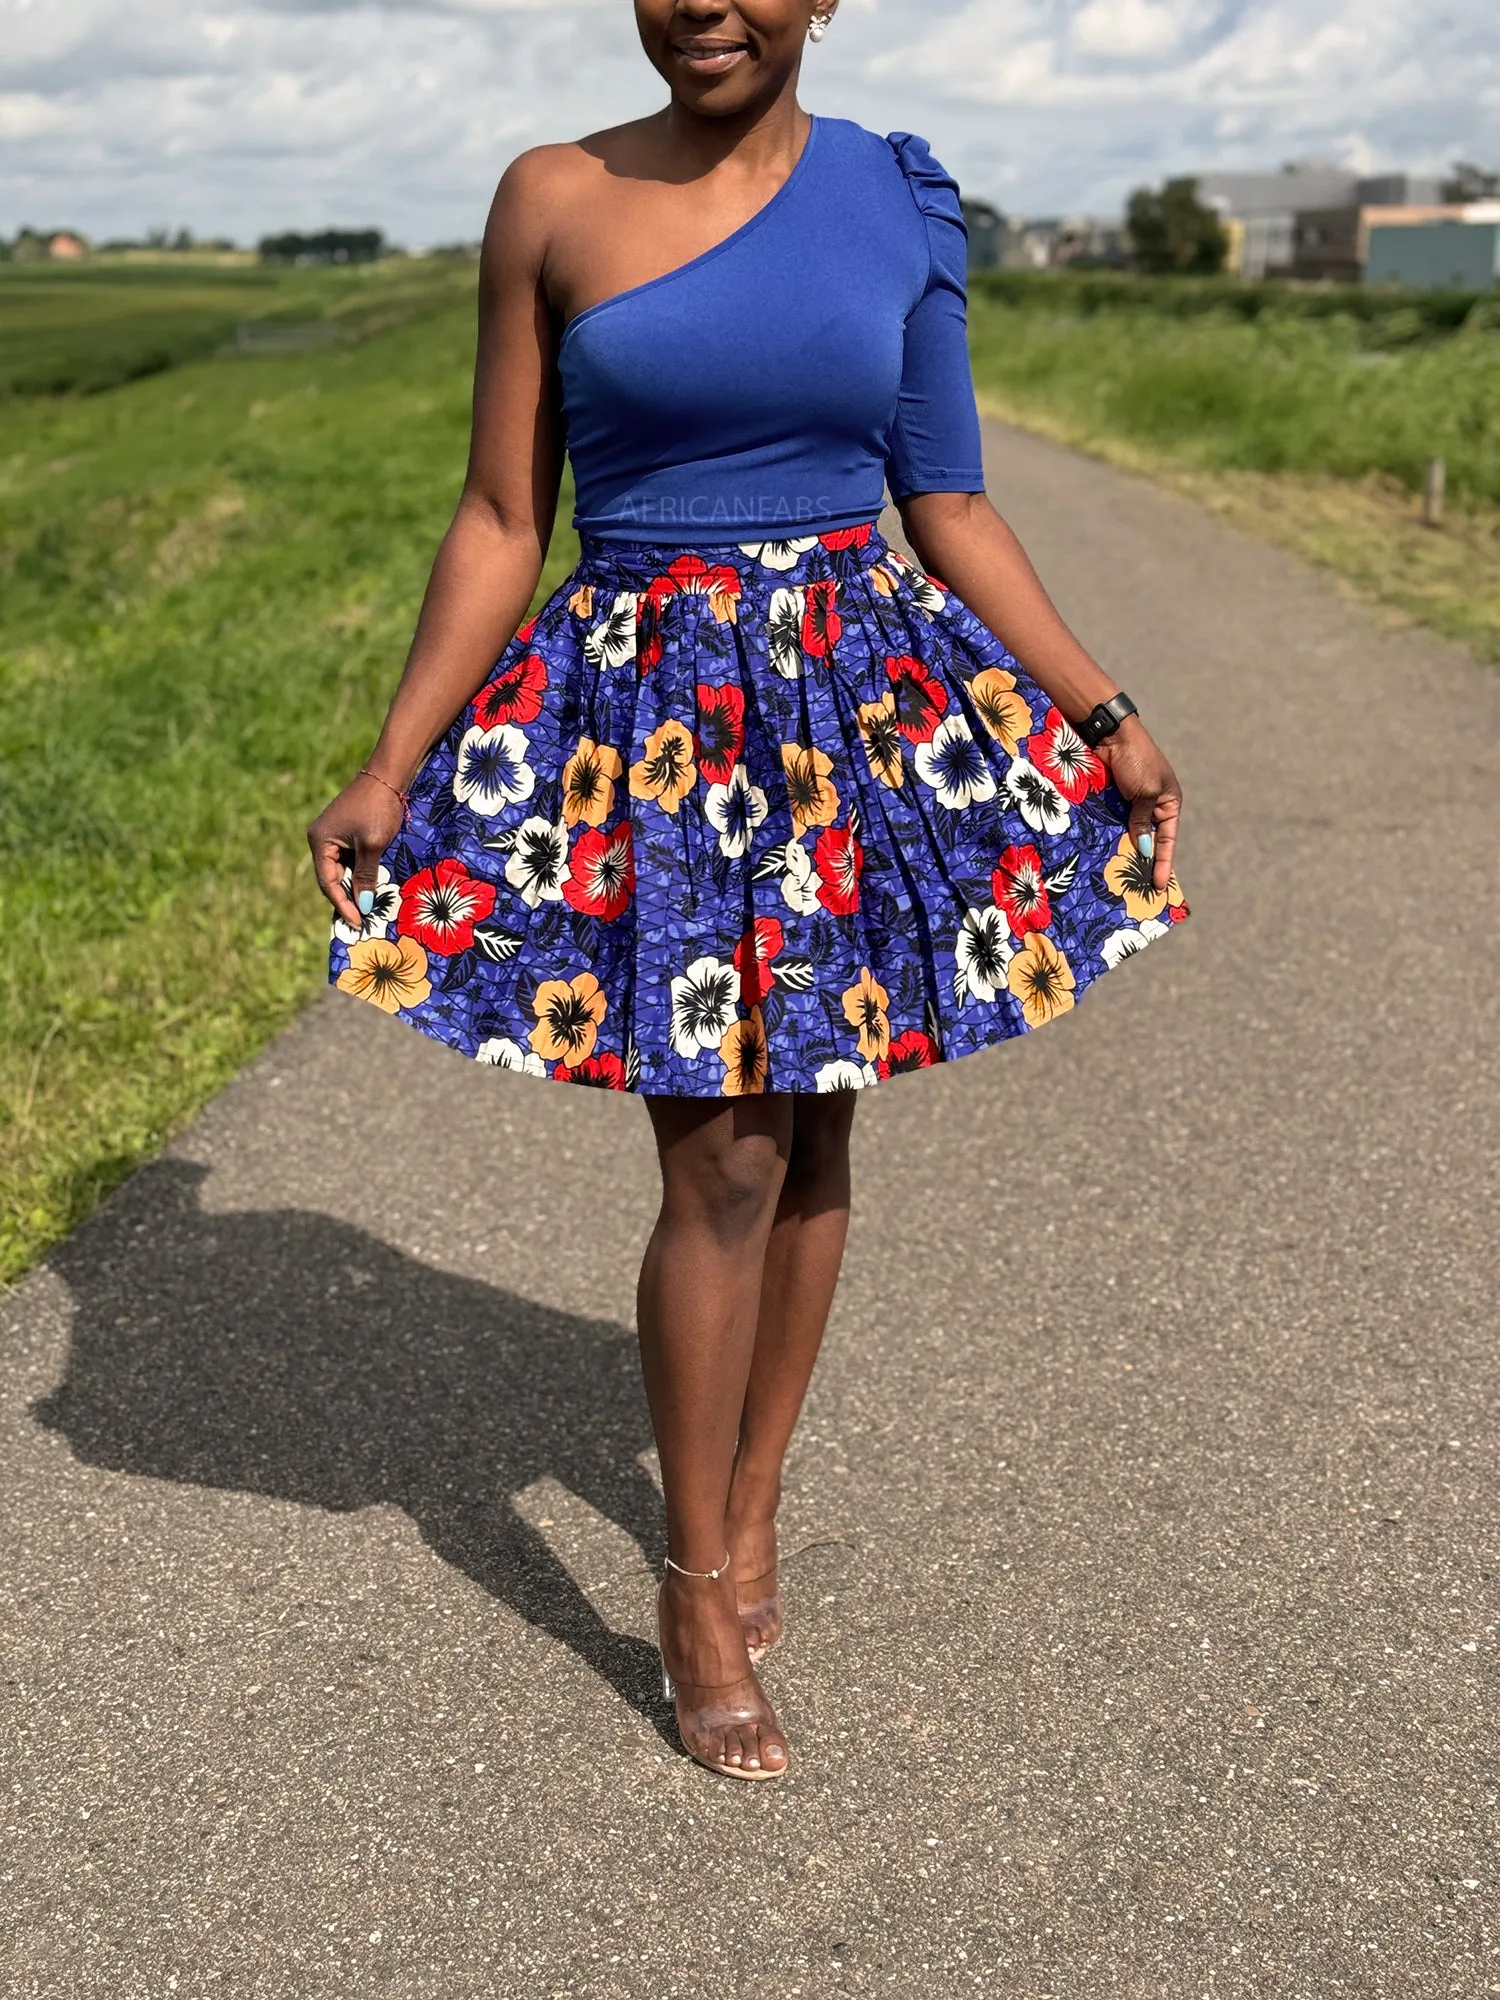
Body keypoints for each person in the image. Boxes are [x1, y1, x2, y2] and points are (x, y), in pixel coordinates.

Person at [309, 0, 1186, 1783]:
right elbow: (500, 515)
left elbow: (949, 498)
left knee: (822, 1129)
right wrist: (392, 760)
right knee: (721, 1148)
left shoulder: (903, 199)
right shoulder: (551, 199)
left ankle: (752, 1497)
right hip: (656, 729)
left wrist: (1108, 714)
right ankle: (695, 1584)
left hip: (851, 713)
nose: (705, 0)